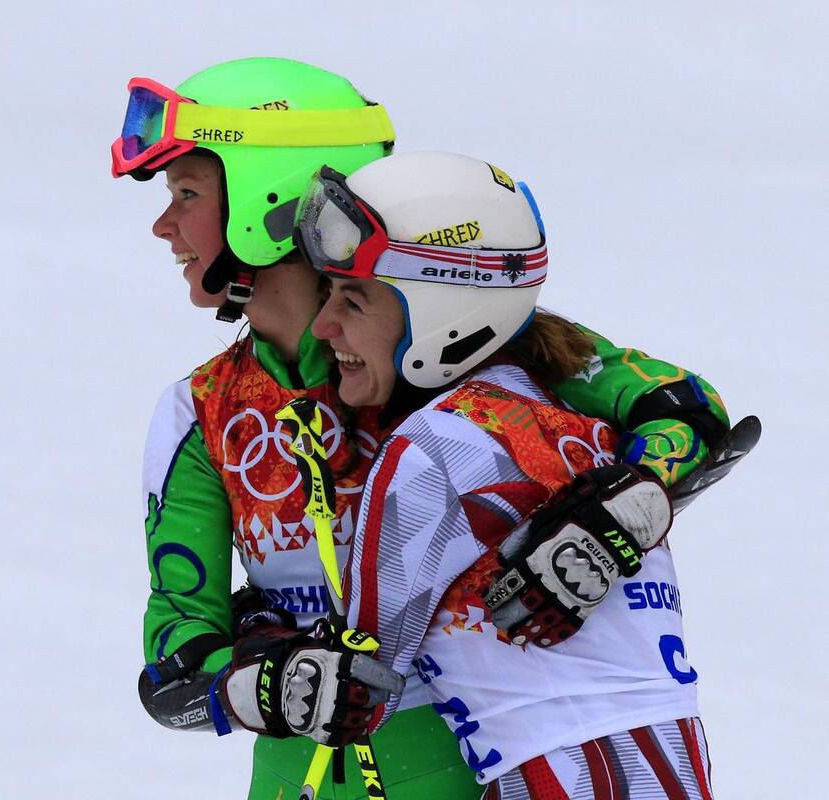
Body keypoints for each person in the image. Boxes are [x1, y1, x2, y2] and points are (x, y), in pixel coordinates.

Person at [113, 58, 729, 799]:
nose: (164, 225)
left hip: (470, 771)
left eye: (186, 193)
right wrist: (260, 682)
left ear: (263, 196)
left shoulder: (456, 341)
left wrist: (617, 514)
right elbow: (175, 659)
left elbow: (684, 410)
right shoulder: (202, 411)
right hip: (294, 782)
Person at [298, 150, 719, 797]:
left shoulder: (430, 451)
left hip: (561, 772)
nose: (323, 325)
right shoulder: (583, 416)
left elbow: (362, 685)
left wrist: (256, 654)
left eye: (353, 302)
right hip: (668, 764)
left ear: (440, 313)